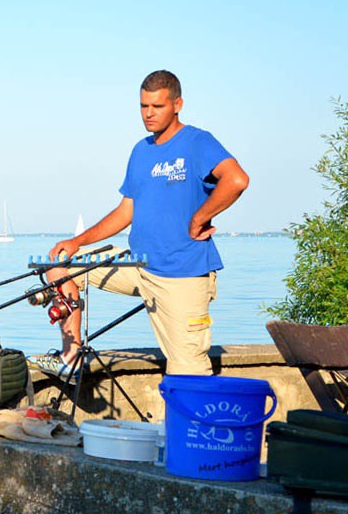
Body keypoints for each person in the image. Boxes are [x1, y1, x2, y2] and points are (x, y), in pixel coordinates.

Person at [35, 70, 250, 378]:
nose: (149, 114)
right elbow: (126, 211)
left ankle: (190, 426)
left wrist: (200, 218)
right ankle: (71, 361)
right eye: (143, 106)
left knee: (188, 372)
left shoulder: (197, 142)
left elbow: (237, 179)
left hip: (182, 275)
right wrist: (77, 242)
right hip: (139, 266)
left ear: (177, 104)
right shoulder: (141, 150)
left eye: (157, 107)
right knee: (58, 266)